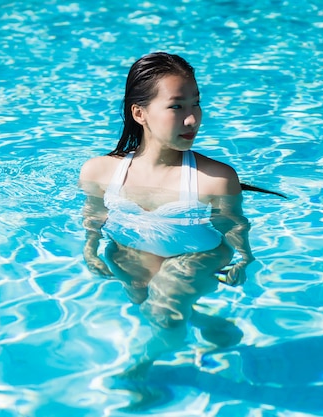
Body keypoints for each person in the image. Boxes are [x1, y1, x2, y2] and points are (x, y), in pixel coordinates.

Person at [79, 52, 255, 377]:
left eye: (196, 104)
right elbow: (94, 216)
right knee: (146, 302)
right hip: (130, 249)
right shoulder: (99, 171)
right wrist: (90, 249)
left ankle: (137, 373)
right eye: (177, 106)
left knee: (165, 313)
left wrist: (243, 259)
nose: (192, 119)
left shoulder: (214, 180)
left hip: (196, 256)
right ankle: (210, 323)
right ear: (139, 113)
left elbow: (234, 228)